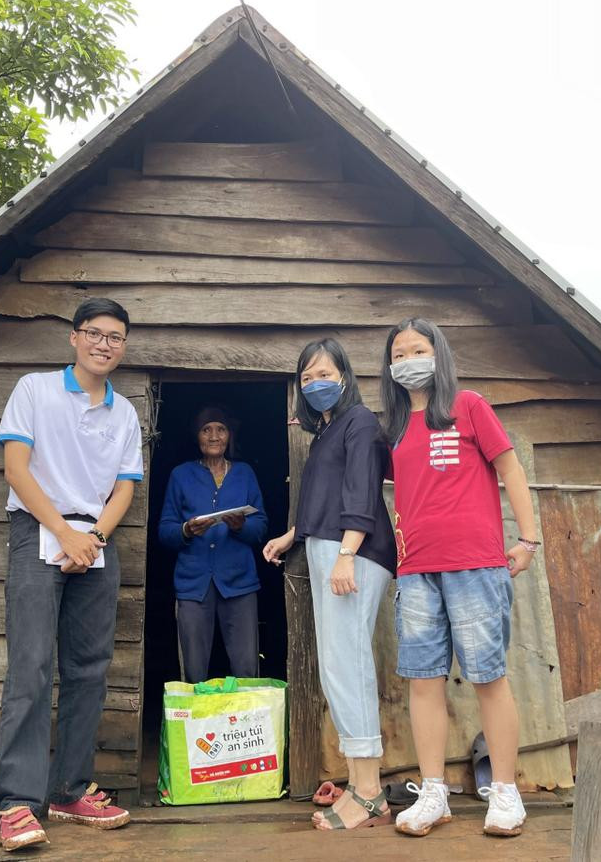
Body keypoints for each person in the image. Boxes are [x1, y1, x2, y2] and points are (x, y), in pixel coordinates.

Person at [0, 298, 144, 851]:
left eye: (116, 337)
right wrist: (64, 532)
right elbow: (16, 467)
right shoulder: (35, 390)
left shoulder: (124, 413)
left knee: (88, 669)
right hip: (39, 530)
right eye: (95, 333)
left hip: (95, 539)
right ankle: (16, 803)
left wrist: (94, 538)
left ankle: (69, 789)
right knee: (30, 667)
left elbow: (125, 486)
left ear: (123, 347)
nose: (105, 344)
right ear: (75, 338)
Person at [380, 318, 539, 839]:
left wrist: (528, 539)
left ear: (438, 353)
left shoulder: (468, 405)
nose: (408, 360)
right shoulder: (397, 426)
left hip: (476, 563)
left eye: (417, 349)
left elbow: (511, 468)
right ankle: (433, 794)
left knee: (488, 677)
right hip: (417, 568)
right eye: (398, 354)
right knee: (423, 681)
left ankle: (507, 793)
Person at [262, 338, 396, 831]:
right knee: (339, 665)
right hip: (327, 546)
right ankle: (363, 787)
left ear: (344, 376)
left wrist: (346, 552)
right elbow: (325, 495)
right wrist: (292, 534)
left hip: (352, 551)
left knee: (348, 662)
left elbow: (361, 489)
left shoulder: (359, 422)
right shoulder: (326, 432)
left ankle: (367, 792)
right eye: (306, 378)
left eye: (324, 373)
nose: (315, 383)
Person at [158, 407, 268, 683]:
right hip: (194, 583)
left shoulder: (244, 474)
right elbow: (164, 531)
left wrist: (241, 526)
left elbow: (261, 526)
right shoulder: (180, 475)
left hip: (239, 581)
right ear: (197, 437)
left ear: (229, 435)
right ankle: (198, 725)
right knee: (194, 669)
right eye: (206, 430)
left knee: (245, 667)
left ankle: (245, 724)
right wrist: (186, 529)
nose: (214, 436)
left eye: (220, 429)